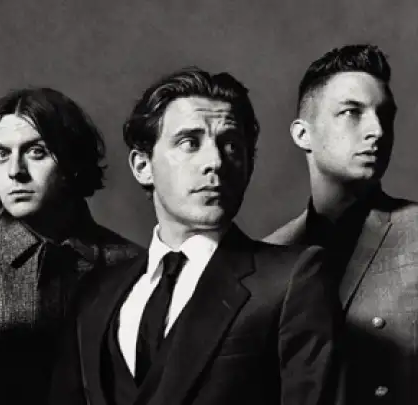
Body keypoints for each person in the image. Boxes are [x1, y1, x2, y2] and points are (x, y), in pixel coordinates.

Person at [50, 67, 336, 405]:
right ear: (143, 166)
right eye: (190, 143)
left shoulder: (291, 280)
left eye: (231, 145)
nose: (215, 161)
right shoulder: (96, 293)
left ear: (248, 165)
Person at [264, 44, 418, 405]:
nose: (376, 130)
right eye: (352, 112)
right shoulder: (270, 256)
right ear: (302, 135)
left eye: (385, 116)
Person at [0, 87, 142, 404]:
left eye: (36, 152)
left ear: (73, 162)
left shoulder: (134, 266)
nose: (15, 171)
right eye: (1, 154)